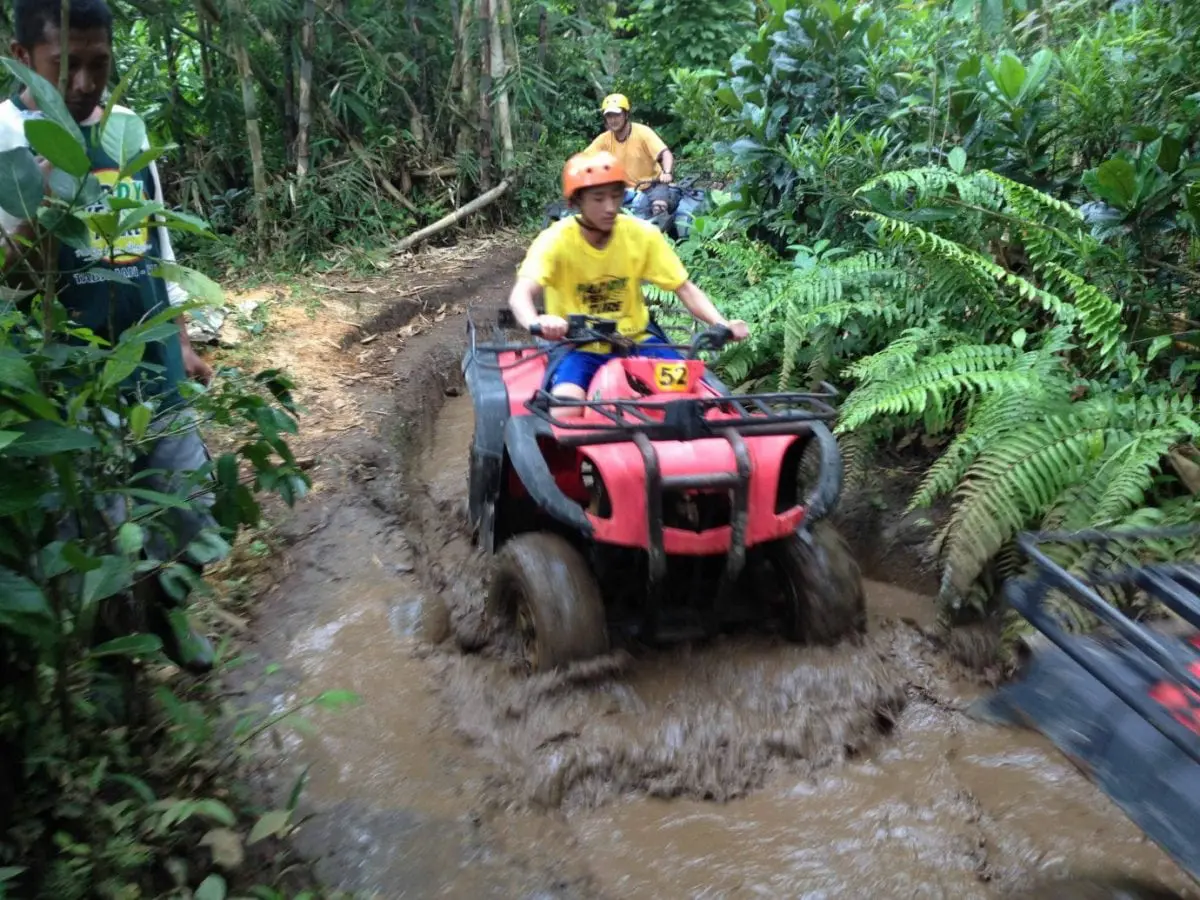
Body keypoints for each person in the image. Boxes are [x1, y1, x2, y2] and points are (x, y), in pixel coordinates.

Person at [1, 0, 219, 672]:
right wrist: (35, 214)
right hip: (67, 387)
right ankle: (110, 669)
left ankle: (168, 615)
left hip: (151, 367)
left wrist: (180, 336)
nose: (86, 82)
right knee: (97, 535)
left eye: (100, 63)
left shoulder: (126, 129)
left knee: (187, 507)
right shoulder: (10, 138)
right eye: (67, 64)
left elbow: (153, 241)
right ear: (21, 57)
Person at [508, 151, 748, 417]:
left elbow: (684, 288)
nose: (610, 207)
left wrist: (721, 323)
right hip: (579, 347)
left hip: (637, 340)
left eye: (616, 196)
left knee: (697, 398)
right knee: (565, 412)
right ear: (577, 202)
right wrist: (538, 322)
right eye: (598, 199)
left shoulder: (641, 235)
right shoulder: (555, 240)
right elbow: (521, 293)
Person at [584, 93, 675, 210]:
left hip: (652, 185)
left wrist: (667, 172)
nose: (613, 120)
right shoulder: (604, 139)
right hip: (623, 191)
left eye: (617, 115)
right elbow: (582, 160)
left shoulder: (643, 132)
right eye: (609, 116)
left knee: (659, 207)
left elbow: (665, 154)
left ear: (626, 114)